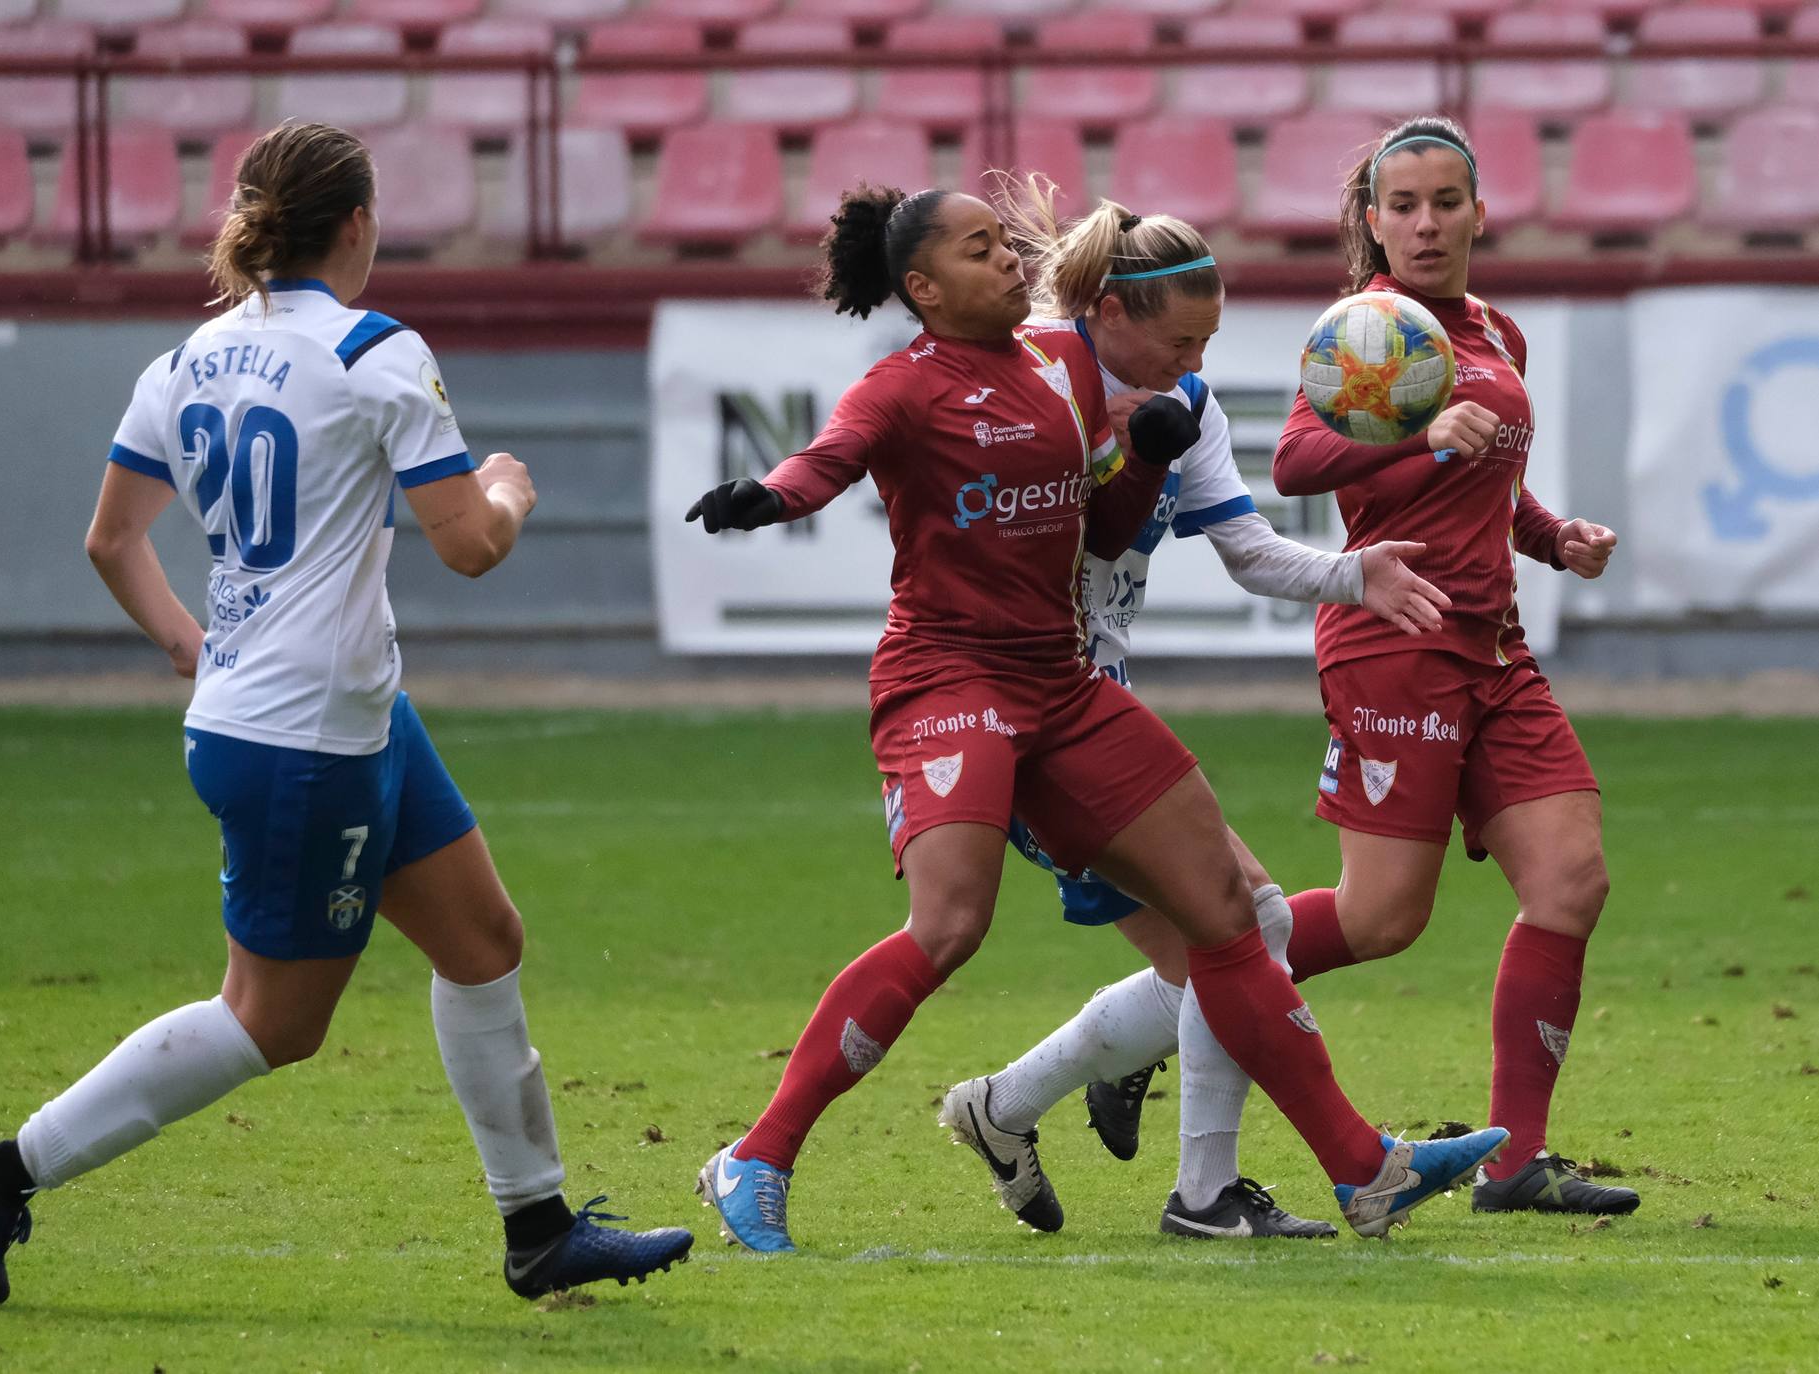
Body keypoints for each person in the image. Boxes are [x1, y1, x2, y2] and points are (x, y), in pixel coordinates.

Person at [682, 180, 1506, 1254]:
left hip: (1062, 687)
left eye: (1001, 243)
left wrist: (1153, 448)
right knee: (948, 929)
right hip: (950, 682)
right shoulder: (899, 386)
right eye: (977, 252)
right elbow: (826, 460)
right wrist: (770, 497)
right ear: (922, 288)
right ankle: (756, 1157)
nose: (1006, 261)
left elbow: (1109, 523)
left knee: (1228, 914)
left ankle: (1361, 1171)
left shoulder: (1063, 373)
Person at [0, 121, 693, 1308]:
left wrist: (188, 648)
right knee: (271, 1020)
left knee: (482, 942)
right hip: (307, 738)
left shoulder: (189, 358)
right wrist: (510, 488)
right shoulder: (374, 349)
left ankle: (539, 1226)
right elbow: (469, 548)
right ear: (356, 225)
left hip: (327, 712)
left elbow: (111, 538)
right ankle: (5, 1170)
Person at [937, 180, 1455, 1242]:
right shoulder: (1032, 379)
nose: (1198, 366)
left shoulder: (1187, 404)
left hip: (1097, 703)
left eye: (1209, 343)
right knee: (1237, 939)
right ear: (1110, 315)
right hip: (1025, 713)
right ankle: (1214, 1189)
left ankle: (1015, 1113)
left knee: (1232, 943)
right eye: (1181, 341)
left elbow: (1248, 549)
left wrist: (1357, 575)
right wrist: (1111, 452)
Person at [1260, 115, 1635, 1215]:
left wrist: (1552, 534)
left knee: (1570, 879)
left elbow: (1488, 485)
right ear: (1370, 223)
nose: (1425, 224)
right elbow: (1293, 462)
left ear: (1480, 212)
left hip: (1492, 646)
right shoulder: (1363, 332)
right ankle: (1166, 1006)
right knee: (1381, 921)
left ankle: (1514, 1163)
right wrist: (1418, 436)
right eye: (1403, 206)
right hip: (1394, 640)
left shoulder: (1493, 330)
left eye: (1444, 203)